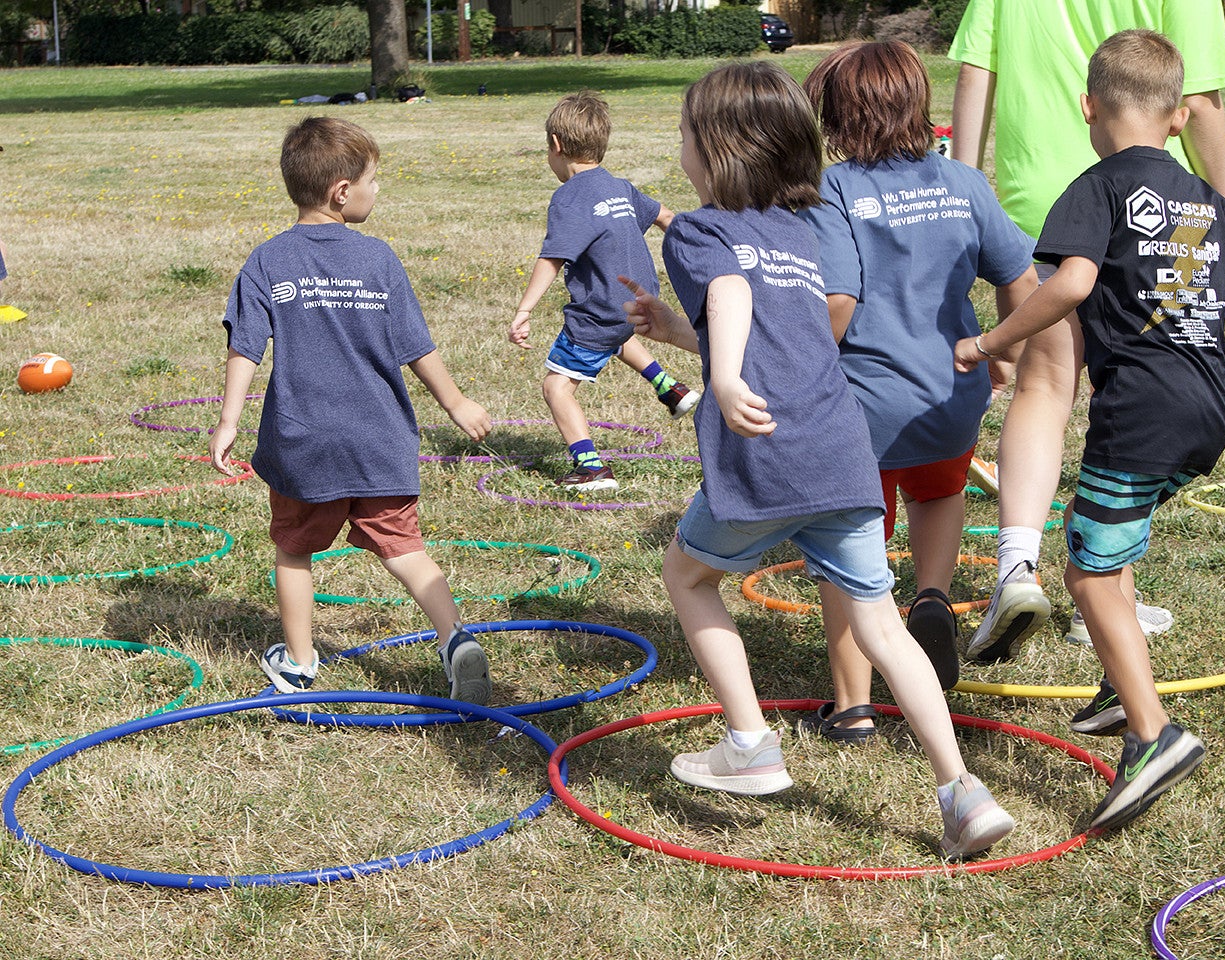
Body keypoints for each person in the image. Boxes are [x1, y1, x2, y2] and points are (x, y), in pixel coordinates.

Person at [619, 60, 1014, 860]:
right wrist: (675, 330)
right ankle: (962, 793)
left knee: (688, 578)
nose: (682, 149)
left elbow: (730, 297)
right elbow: (778, 327)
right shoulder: (801, 236)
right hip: (843, 455)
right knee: (882, 628)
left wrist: (722, 377)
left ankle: (749, 743)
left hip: (772, 456)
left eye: (687, 135)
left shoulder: (699, 230)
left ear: (718, 151)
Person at [954, 29, 1225, 830]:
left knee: (1088, 577)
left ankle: (1153, 734)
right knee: (1116, 541)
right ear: (1179, 117)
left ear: (1087, 108)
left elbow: (1069, 284)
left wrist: (991, 341)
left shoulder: (1095, 187)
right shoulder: (1207, 197)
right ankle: (1117, 683)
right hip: (1206, 409)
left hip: (1138, 413)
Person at [791, 40, 1038, 741]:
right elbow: (1023, 282)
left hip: (862, 408)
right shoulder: (964, 181)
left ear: (839, 117)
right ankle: (931, 595)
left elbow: (837, 302)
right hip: (949, 397)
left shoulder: (834, 189)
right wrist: (1002, 353)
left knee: (847, 555)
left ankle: (853, 705)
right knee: (940, 491)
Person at [209, 117, 495, 705]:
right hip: (379, 439)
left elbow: (246, 346)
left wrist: (230, 420)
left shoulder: (266, 261)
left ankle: (300, 661)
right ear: (343, 191)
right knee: (406, 550)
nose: (376, 191)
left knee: (294, 549)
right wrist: (457, 401)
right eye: (373, 180)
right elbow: (416, 346)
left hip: (302, 443)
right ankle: (455, 639)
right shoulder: (379, 260)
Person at [509, 91, 696, 493]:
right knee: (619, 331)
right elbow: (665, 216)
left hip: (600, 311)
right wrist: (702, 244)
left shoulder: (570, 197)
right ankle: (670, 388)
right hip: (637, 301)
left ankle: (591, 467)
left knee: (555, 386)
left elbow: (553, 257)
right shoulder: (620, 186)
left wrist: (524, 309)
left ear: (556, 146)